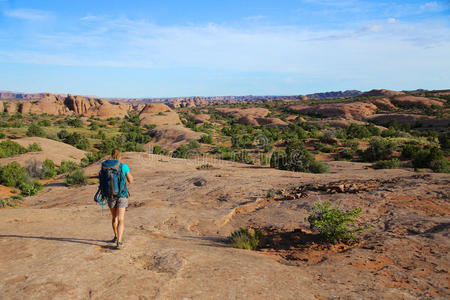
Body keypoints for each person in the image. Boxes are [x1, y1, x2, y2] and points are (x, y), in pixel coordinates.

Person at [107, 148, 133, 249]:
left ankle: (115, 236)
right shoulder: (124, 166)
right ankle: (119, 241)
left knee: (114, 218)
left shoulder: (106, 166)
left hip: (110, 196)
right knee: (121, 219)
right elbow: (130, 180)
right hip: (122, 195)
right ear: (120, 156)